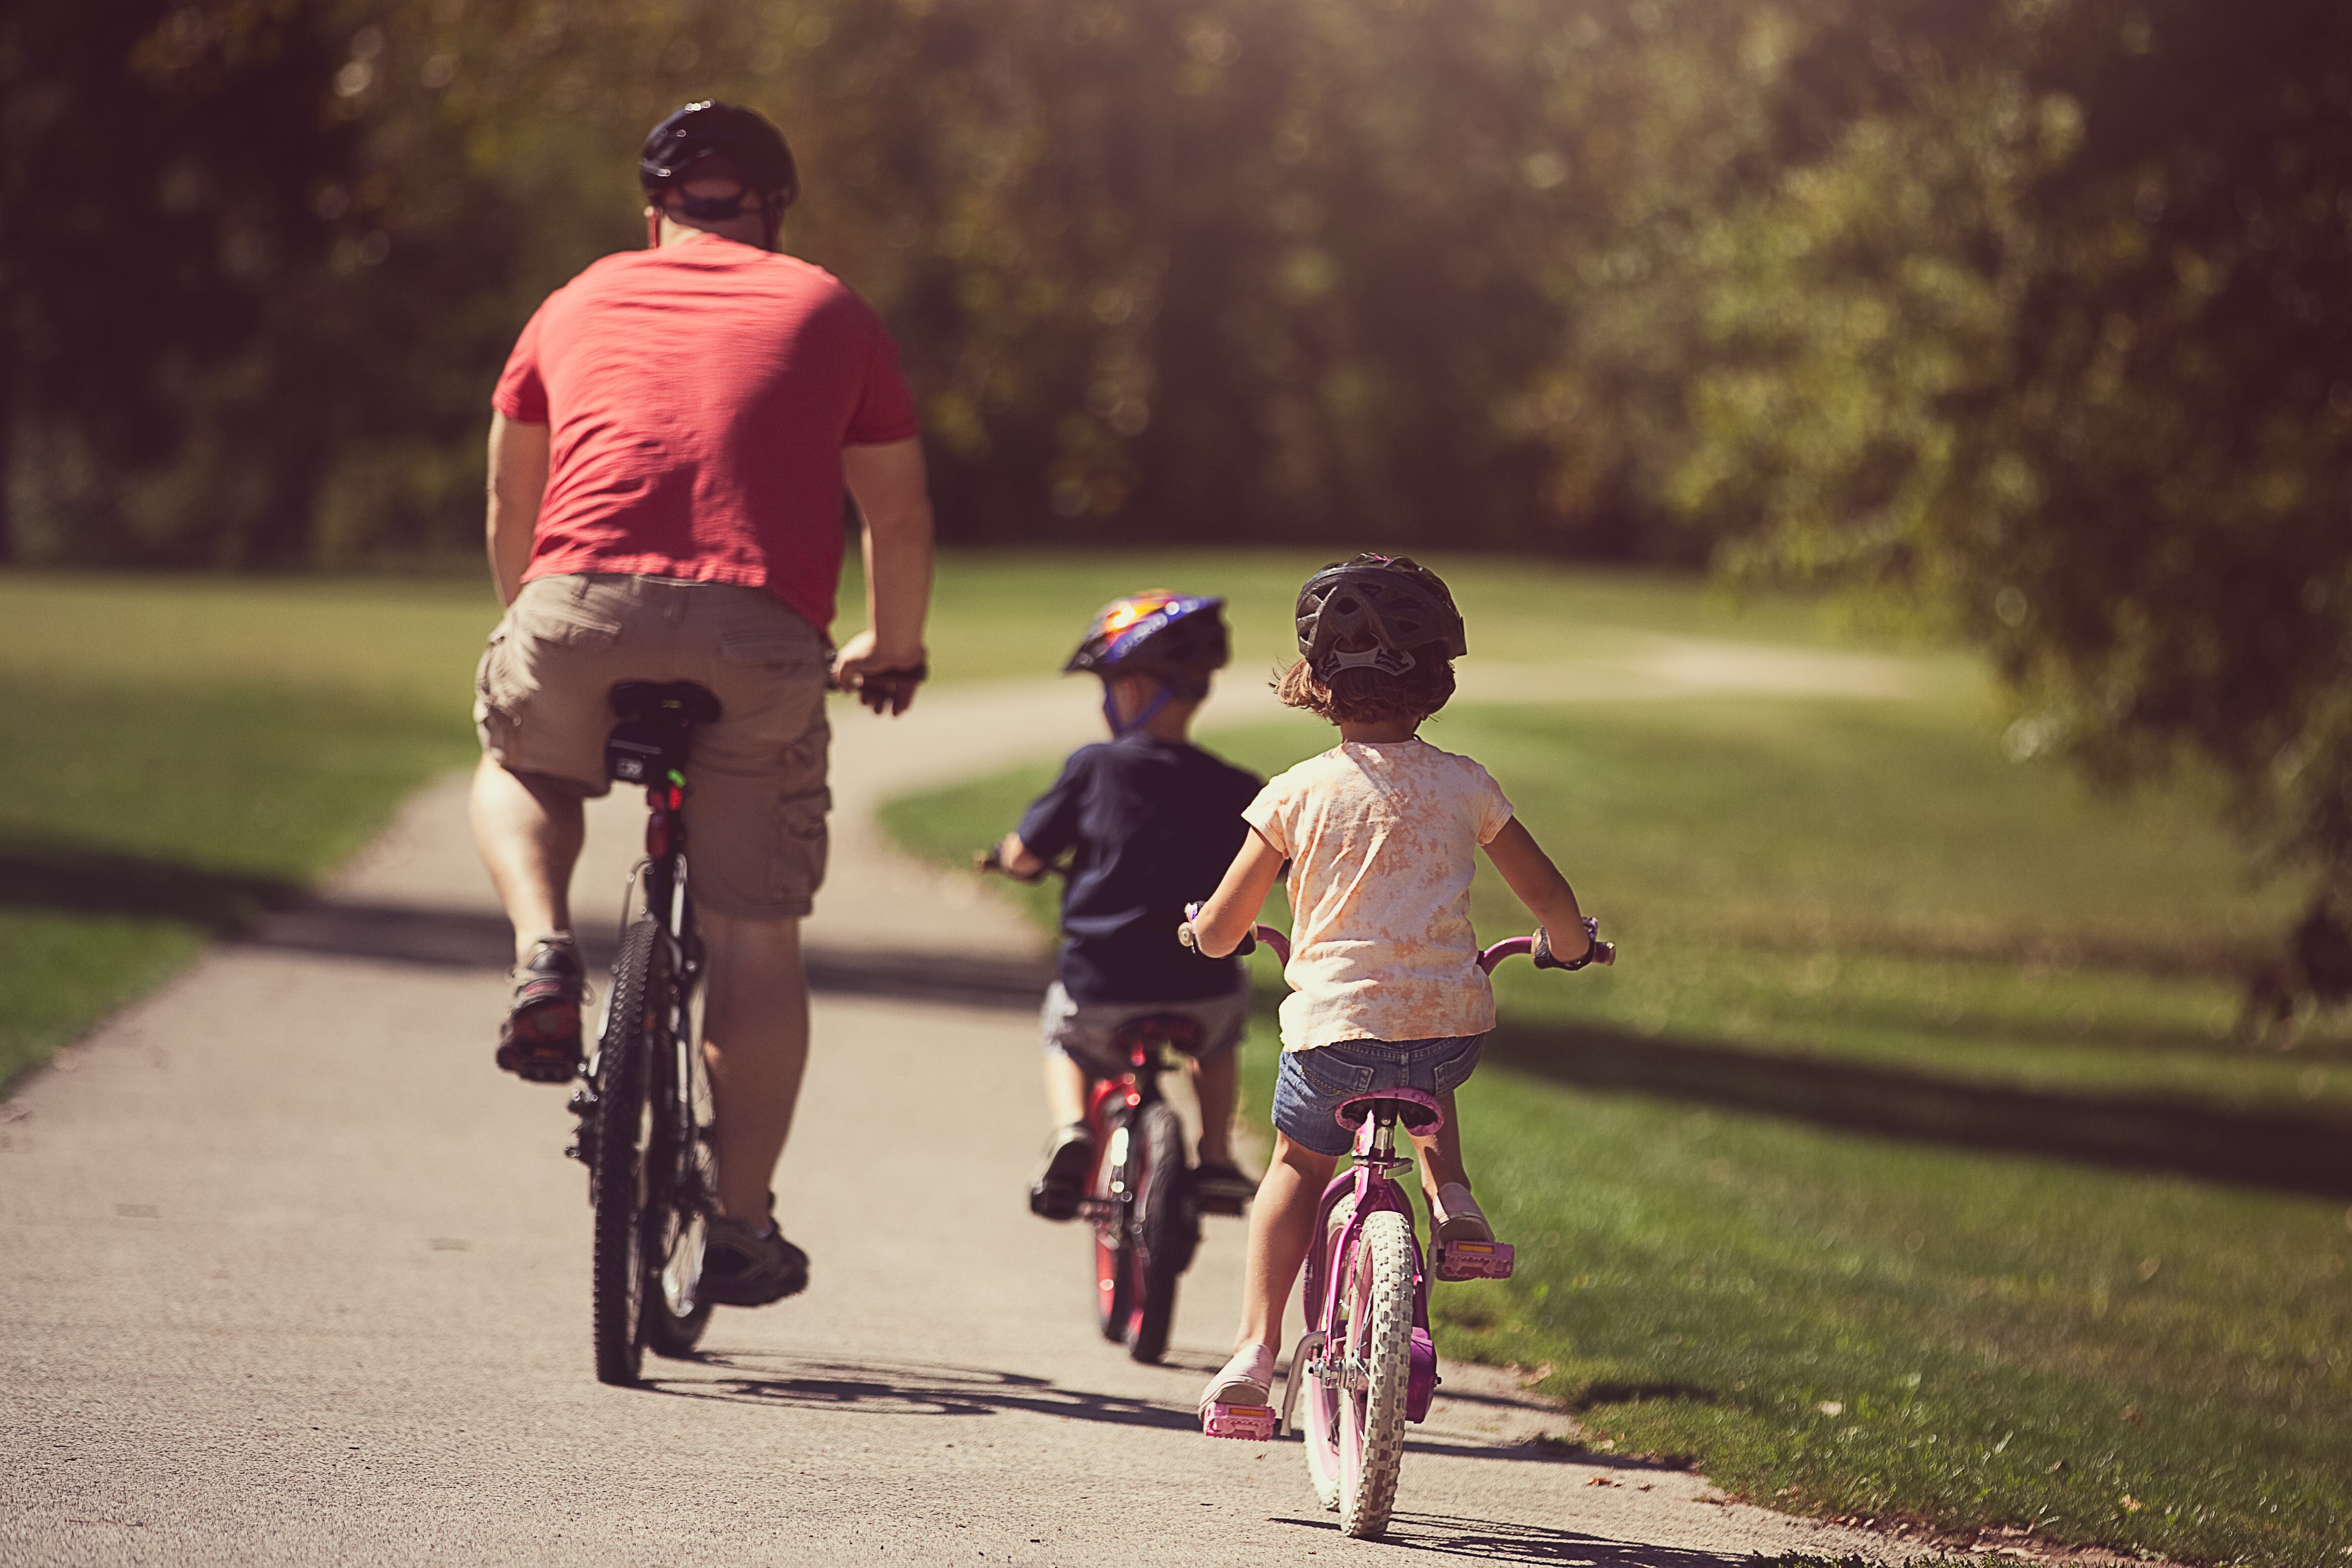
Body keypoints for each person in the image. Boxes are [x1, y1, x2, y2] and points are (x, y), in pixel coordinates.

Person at [470, 100, 934, 1309]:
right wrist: (893, 644)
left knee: (521, 765)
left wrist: (540, 628)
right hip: (755, 631)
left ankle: (542, 954)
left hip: (577, 602)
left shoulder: (573, 299)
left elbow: (511, 502)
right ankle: (740, 1222)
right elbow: (896, 512)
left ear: (653, 212)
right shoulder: (829, 307)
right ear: (772, 211)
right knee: (754, 933)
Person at [1177, 554, 1601, 1423]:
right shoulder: (1465, 784)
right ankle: (1454, 1205)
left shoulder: (1295, 792)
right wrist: (1568, 947)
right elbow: (1551, 899)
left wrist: (1203, 935)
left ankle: (1254, 1355)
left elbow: (1224, 927)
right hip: (1446, 1025)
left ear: (1316, 687)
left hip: (1333, 1036)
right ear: (1438, 685)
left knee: (1296, 1164)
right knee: (1427, 1074)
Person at [990, 593, 1265, 1221]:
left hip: (1102, 984)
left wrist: (1005, 857)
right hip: (1201, 985)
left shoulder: (1092, 768)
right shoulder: (1236, 786)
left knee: (1064, 1034)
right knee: (1220, 1038)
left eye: (1109, 685)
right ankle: (1217, 1156)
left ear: (1135, 689)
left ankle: (1069, 1130)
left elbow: (1027, 856)